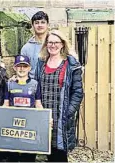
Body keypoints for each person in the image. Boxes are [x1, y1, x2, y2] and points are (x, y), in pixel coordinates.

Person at [34, 30, 83, 162]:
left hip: (61, 115)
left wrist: (69, 111)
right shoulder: (41, 63)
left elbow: (78, 92)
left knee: (60, 154)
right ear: (46, 44)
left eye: (56, 42)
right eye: (50, 42)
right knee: (46, 150)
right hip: (43, 114)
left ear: (62, 44)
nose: (53, 45)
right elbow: (34, 85)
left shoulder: (71, 65)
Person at [3, 55, 43, 162]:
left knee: (28, 157)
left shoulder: (35, 84)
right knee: (12, 158)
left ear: (29, 68)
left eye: (24, 66)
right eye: (19, 66)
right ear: (14, 68)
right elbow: (5, 104)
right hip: (13, 127)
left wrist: (46, 119)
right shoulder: (9, 84)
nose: (21, 69)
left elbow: (38, 104)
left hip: (29, 127)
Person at [20, 11, 49, 78]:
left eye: (43, 22)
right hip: (33, 84)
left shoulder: (54, 44)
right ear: (32, 25)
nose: (40, 25)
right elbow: (23, 69)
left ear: (47, 25)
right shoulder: (26, 48)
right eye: (36, 23)